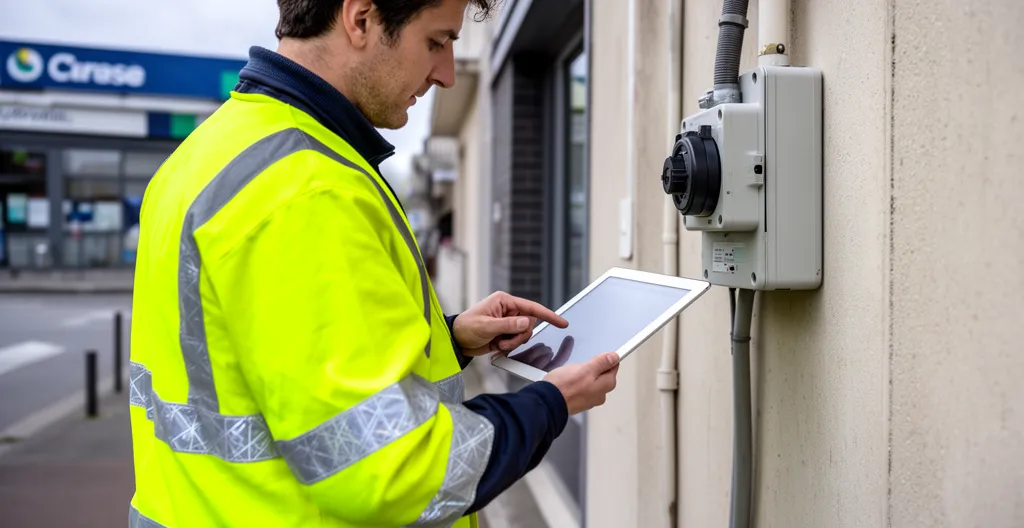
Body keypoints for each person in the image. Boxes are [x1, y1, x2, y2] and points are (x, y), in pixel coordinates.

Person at [127, 1, 621, 527]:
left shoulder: (207, 155)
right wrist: (551, 403)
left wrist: (451, 339)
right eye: (436, 41)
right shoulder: (307, 190)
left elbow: (272, 365)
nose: (447, 74)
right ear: (361, 19)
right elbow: (392, 470)